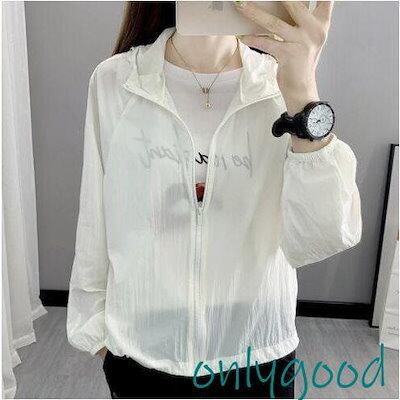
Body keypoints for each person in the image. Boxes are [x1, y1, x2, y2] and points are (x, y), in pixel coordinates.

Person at [66, 1, 362, 398]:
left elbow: (318, 238)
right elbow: (95, 219)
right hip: (142, 353)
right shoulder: (116, 81)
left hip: (257, 351)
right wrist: (98, 337)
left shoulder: (279, 85)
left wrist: (303, 92)